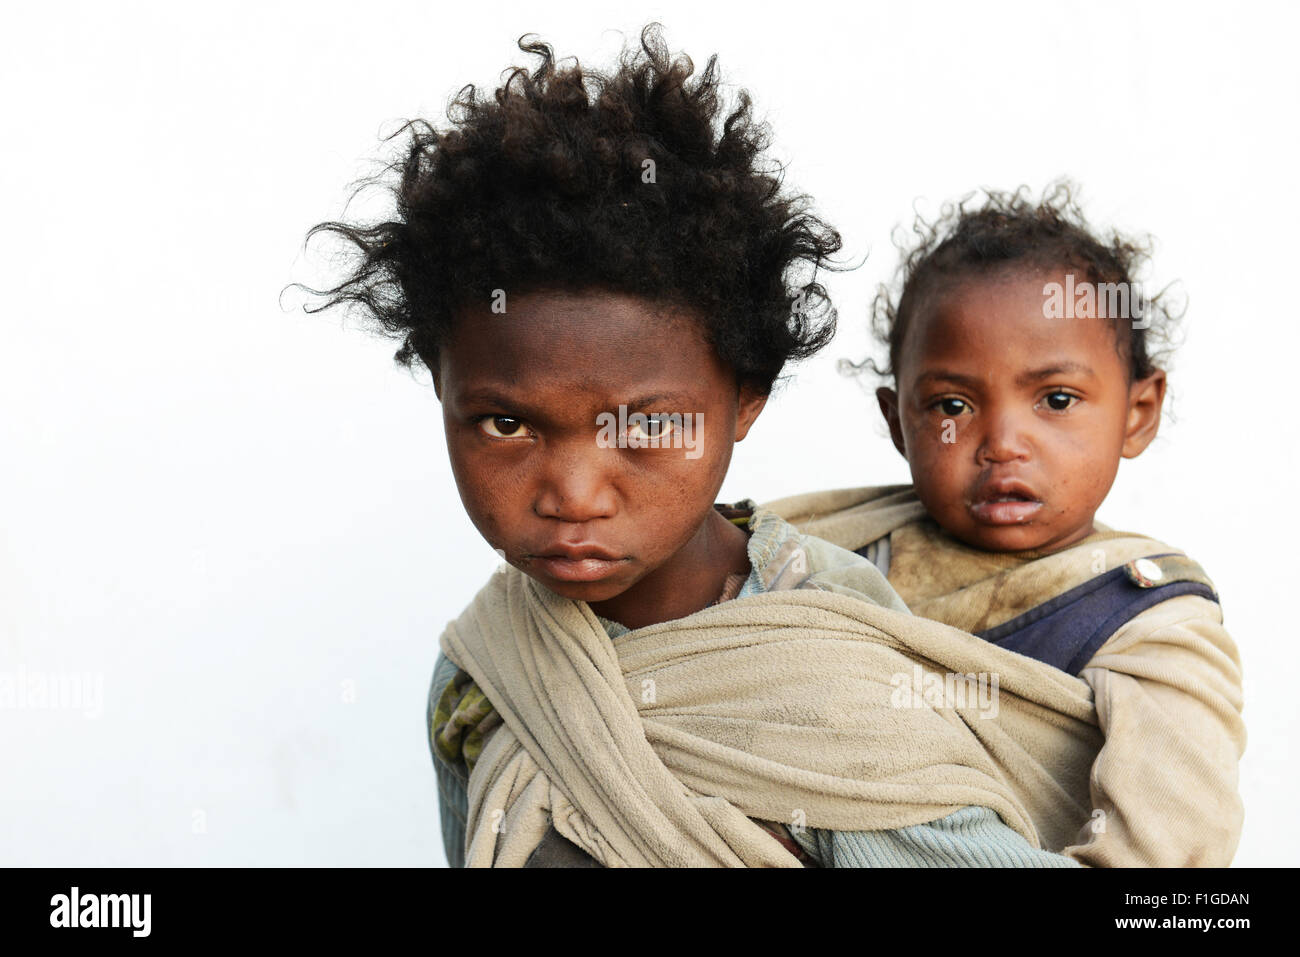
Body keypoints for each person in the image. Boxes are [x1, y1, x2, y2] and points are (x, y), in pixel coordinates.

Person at [298, 26, 1080, 867]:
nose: (573, 492)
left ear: (746, 398)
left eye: (643, 426)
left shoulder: (830, 656)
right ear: (441, 387)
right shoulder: (482, 670)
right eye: (506, 423)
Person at [768, 184, 1246, 865]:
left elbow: (1173, 845)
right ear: (896, 419)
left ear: (1138, 412)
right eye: (952, 404)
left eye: (1056, 398)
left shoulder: (1146, 618)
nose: (1001, 441)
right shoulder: (829, 546)